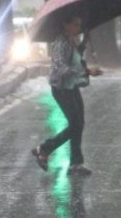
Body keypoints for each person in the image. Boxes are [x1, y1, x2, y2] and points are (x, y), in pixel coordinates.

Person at [31, 15, 102, 176]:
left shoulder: (70, 40)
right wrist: (87, 71)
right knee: (75, 125)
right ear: (65, 24)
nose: (78, 28)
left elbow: (75, 59)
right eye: (75, 24)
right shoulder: (60, 42)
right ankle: (44, 149)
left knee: (79, 124)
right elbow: (62, 68)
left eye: (79, 25)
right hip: (61, 88)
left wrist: (84, 43)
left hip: (71, 87)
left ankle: (75, 164)